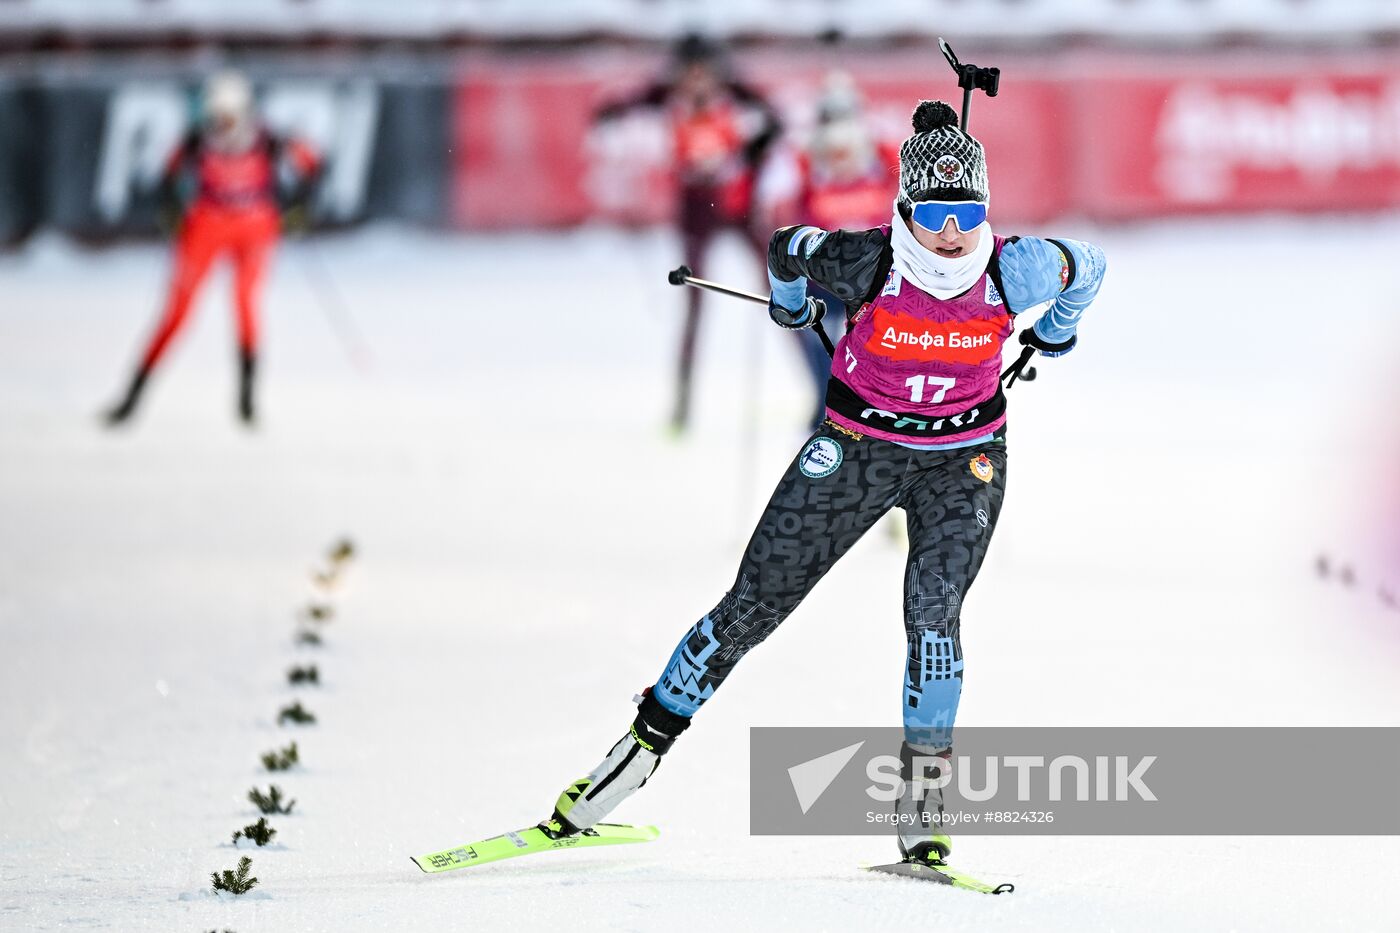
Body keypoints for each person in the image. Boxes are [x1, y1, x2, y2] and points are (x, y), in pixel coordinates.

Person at [545, 100, 1107, 869]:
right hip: (855, 449)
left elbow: (1092, 267)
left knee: (934, 620)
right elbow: (784, 247)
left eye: (968, 210)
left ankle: (924, 816)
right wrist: (790, 305)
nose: (952, 230)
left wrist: (1056, 331)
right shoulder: (864, 258)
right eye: (936, 211)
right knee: (751, 608)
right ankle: (625, 767)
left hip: (963, 461)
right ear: (906, 206)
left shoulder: (1018, 265)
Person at [104, 70, 321, 427]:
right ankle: (132, 397)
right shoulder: (197, 140)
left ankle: (247, 401)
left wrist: (300, 207)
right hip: (206, 227)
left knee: (246, 305)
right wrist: (172, 210)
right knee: (177, 313)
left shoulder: (268, 139)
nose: (222, 127)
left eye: (229, 117)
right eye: (216, 117)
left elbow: (312, 164)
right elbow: (168, 173)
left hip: (254, 228)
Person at [593, 34, 783, 434]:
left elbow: (774, 122)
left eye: (704, 73)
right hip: (696, 207)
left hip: (738, 204)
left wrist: (747, 157)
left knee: (783, 287)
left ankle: (826, 391)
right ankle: (682, 402)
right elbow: (616, 109)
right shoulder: (666, 94)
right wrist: (609, 119)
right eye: (689, 74)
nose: (697, 82)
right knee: (695, 298)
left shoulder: (734, 93)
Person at [757, 71, 901, 427]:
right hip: (821, 269)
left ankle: (864, 405)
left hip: (872, 271)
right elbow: (771, 196)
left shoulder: (882, 152)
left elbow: (908, 192)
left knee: (870, 342)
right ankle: (825, 399)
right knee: (818, 335)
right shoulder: (803, 157)